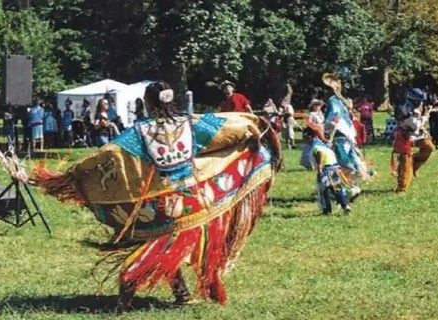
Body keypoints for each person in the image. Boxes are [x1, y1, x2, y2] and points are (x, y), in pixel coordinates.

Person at [32, 81, 281, 309]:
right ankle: (183, 292)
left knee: (158, 248)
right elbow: (230, 128)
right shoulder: (192, 123)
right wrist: (255, 128)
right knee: (178, 248)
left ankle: (129, 290)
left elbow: (110, 153)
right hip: (194, 201)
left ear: (149, 103)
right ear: (170, 100)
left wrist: (70, 177)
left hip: (159, 206)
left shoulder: (139, 132)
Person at [322, 73, 369, 185]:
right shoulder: (340, 101)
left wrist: (329, 136)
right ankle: (350, 184)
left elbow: (336, 118)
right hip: (347, 135)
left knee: (343, 161)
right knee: (350, 158)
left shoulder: (333, 101)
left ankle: (348, 187)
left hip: (339, 135)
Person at [391, 88, 435, 193]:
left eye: (421, 101)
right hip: (405, 136)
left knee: (428, 147)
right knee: (405, 160)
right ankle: (401, 188)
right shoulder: (403, 108)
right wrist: (424, 117)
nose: (420, 103)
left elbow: (420, 122)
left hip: (418, 134)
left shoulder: (421, 106)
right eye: (418, 101)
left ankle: (413, 165)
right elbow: (413, 124)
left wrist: (424, 116)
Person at [280, 84, 296, 149]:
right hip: (286, 118)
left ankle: (292, 143)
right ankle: (289, 144)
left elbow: (290, 93)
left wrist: (284, 113)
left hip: (288, 118)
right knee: (287, 131)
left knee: (290, 130)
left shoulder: (286, 102)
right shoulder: (284, 101)